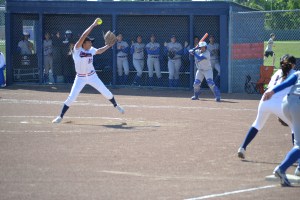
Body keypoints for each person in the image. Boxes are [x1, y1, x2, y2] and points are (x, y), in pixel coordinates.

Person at [52, 18, 124, 124]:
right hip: (80, 78)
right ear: (83, 43)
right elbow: (83, 36)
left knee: (106, 92)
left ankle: (116, 105)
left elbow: (99, 51)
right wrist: (93, 25)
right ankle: (60, 116)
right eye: (89, 41)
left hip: (92, 76)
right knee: (71, 97)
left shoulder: (91, 50)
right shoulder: (77, 49)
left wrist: (109, 45)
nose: (91, 43)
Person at [237, 55, 297, 160]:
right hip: (279, 103)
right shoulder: (294, 74)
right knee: (294, 126)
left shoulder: (277, 73)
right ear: (293, 65)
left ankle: (242, 147)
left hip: (265, 100)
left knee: (257, 124)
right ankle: (298, 157)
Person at [263, 66, 300, 186]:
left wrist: (271, 92)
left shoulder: (298, 73)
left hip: (287, 104)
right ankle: (282, 168)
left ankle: (298, 169)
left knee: (298, 142)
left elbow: (286, 83)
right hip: (298, 105)